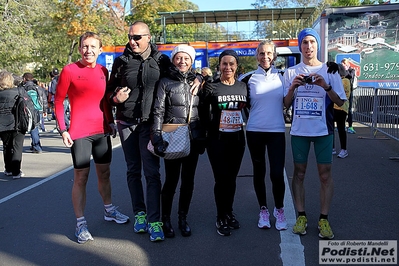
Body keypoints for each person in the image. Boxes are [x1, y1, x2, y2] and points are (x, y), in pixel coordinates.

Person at [106, 21, 202, 242]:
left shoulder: (162, 60)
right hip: (126, 122)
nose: (132, 41)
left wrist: (200, 78)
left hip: (149, 124)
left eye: (137, 37)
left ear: (148, 37)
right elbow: (109, 90)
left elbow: (181, 75)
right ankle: (139, 214)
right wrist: (114, 98)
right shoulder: (121, 61)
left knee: (152, 173)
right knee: (132, 170)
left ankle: (155, 220)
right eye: (130, 37)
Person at [55, 32, 129, 244]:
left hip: (101, 131)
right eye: (85, 46)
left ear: (100, 49)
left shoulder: (103, 70)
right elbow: (59, 101)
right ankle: (80, 224)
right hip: (79, 133)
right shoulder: (69, 70)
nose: (88, 50)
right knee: (81, 178)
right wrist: (63, 129)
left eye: (92, 47)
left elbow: (105, 101)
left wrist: (111, 121)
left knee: (104, 174)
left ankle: (109, 210)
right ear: (80, 49)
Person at [283, 28, 347, 239]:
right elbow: (285, 104)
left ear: (317, 45)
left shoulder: (330, 70)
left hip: (323, 131)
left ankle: (323, 219)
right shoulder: (291, 72)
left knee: (325, 175)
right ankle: (301, 216)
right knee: (299, 173)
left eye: (312, 42)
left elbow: (339, 102)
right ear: (300, 46)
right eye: (304, 43)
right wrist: (292, 87)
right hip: (300, 131)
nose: (308, 46)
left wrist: (325, 86)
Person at [151, 44, 205, 238]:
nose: (182, 61)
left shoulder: (199, 82)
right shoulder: (165, 82)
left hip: (193, 138)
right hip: (172, 136)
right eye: (178, 58)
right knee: (171, 181)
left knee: (188, 182)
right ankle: (166, 219)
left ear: (192, 61)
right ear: (173, 60)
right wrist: (156, 136)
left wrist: (202, 76)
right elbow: (157, 111)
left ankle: (183, 218)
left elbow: (205, 108)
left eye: (186, 58)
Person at [239, 40, 287, 231]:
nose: (265, 57)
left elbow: (307, 75)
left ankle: (280, 209)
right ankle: (263, 210)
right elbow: (228, 87)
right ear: (256, 56)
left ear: (274, 56)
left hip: (276, 131)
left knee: (277, 174)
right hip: (255, 131)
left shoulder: (284, 75)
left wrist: (331, 68)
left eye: (269, 53)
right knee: (259, 172)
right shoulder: (248, 78)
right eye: (261, 53)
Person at [199, 50, 247, 236]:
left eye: (231, 64)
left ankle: (229, 212)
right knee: (221, 180)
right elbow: (203, 113)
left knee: (232, 179)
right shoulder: (212, 87)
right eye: (224, 64)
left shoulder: (243, 87)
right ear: (219, 66)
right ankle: (221, 216)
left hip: (237, 141)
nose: (228, 67)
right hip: (217, 141)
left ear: (236, 66)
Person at [0, 71, 26, 179]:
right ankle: (16, 171)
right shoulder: (18, 92)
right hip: (17, 122)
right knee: (17, 146)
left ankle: (8, 169)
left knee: (6, 146)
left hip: (2, 123)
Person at [20, 73, 47, 153]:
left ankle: (37, 146)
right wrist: (44, 110)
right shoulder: (38, 88)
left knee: (33, 128)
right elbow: (44, 99)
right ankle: (34, 144)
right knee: (36, 127)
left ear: (25, 79)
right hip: (38, 109)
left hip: (29, 110)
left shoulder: (23, 88)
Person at [333, 64, 351, 158]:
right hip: (332, 107)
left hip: (342, 108)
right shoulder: (337, 80)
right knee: (330, 128)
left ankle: (344, 149)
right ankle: (332, 147)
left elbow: (339, 92)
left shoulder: (345, 81)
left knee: (341, 128)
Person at [341, 58, 356, 134]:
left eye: (344, 64)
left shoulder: (351, 71)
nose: (343, 66)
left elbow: (351, 77)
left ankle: (350, 126)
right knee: (341, 109)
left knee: (349, 109)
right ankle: (342, 125)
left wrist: (346, 70)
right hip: (341, 92)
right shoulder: (341, 71)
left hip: (349, 92)